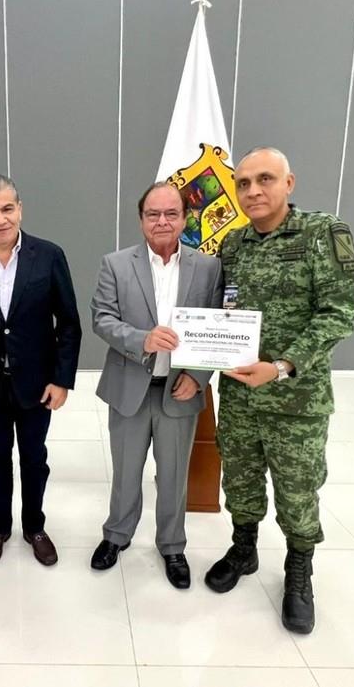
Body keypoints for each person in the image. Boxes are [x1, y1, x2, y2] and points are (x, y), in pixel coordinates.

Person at [207, 147, 354, 634]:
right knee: (242, 478)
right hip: (237, 394)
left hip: (297, 396)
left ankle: (299, 570)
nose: (253, 190)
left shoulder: (322, 232)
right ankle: (244, 547)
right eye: (244, 183)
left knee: (297, 489)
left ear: (289, 183)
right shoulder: (233, 245)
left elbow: (338, 313)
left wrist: (283, 365)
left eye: (265, 179)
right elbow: (221, 315)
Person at [89, 182, 224, 588]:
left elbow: (218, 328)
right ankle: (116, 536)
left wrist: (198, 378)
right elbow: (102, 318)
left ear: (185, 218)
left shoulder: (208, 268)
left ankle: (172, 546)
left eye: (170, 214)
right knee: (126, 471)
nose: (162, 221)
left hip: (180, 390)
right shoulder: (116, 263)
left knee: (174, 475)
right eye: (153, 214)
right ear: (141, 219)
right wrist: (141, 340)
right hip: (129, 387)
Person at [0, 174, 82, 567]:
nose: (0, 219)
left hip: (37, 384)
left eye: (7, 209)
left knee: (34, 458)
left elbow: (69, 324)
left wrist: (62, 379)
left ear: (20, 209)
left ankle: (34, 527)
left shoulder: (49, 255)